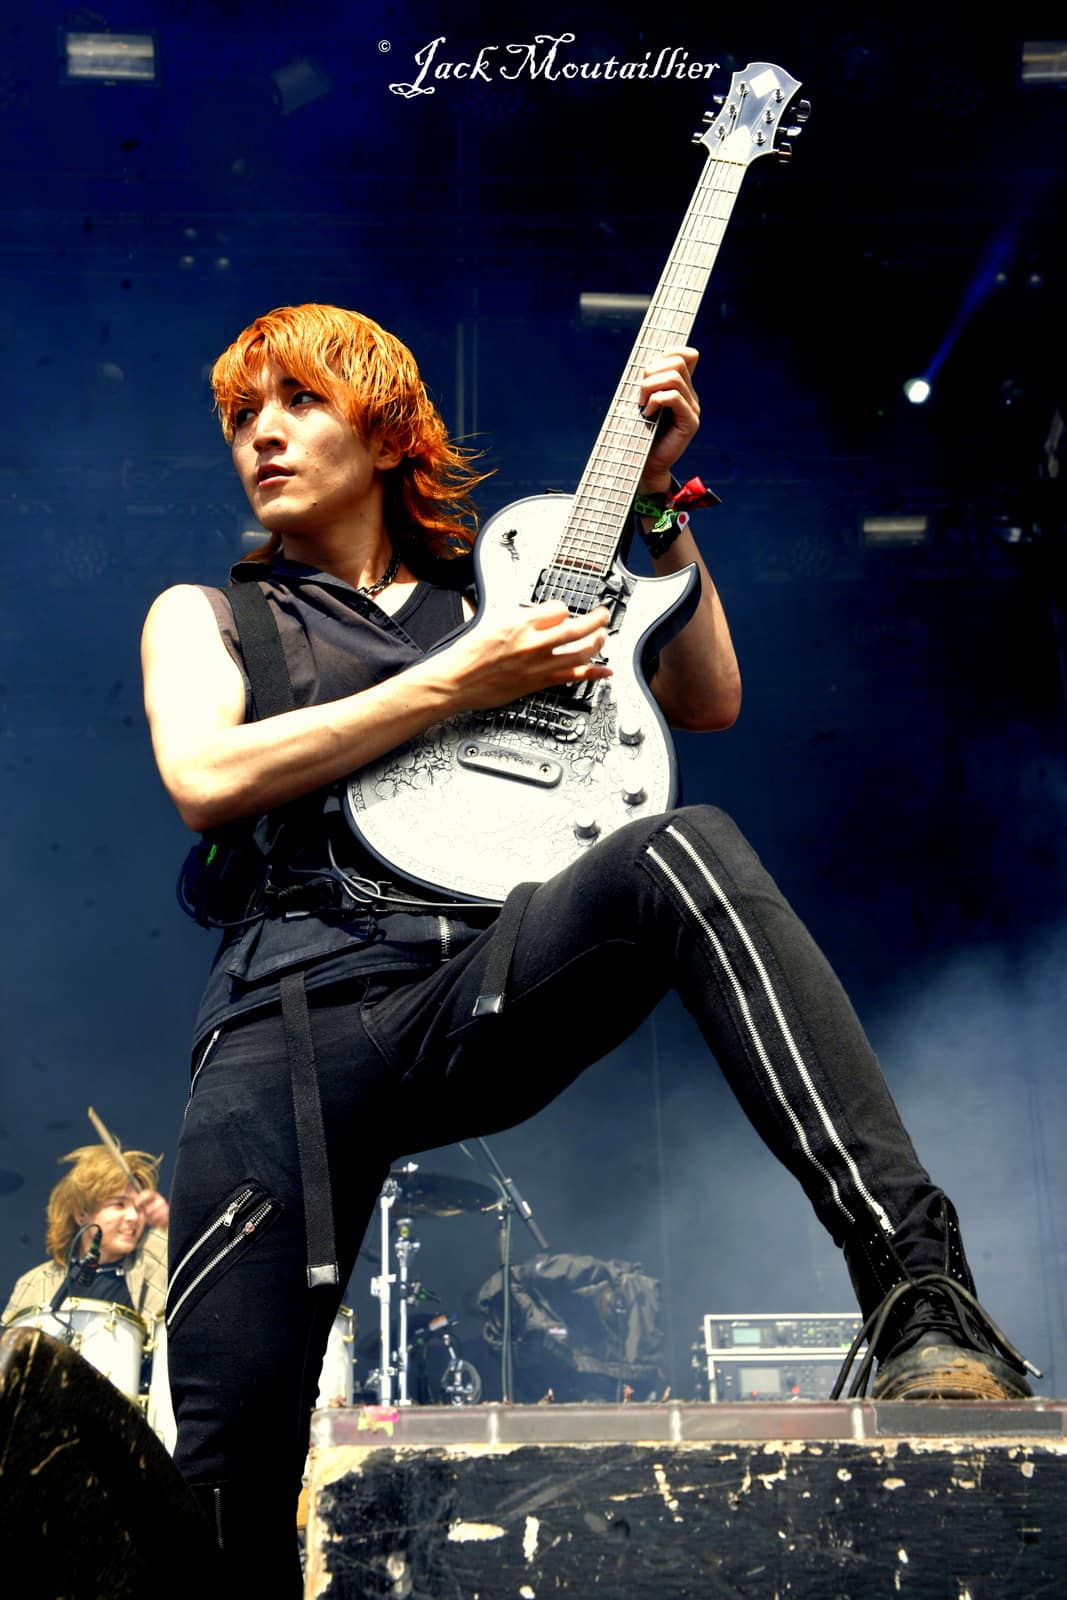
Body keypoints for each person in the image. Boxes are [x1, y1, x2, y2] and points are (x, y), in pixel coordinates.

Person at [141, 304, 1034, 1595]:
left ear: (385, 435)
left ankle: (918, 1291)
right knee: (222, 1486)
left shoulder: (498, 593)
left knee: (684, 846)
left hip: (466, 981)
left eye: (298, 403)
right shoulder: (208, 616)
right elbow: (202, 775)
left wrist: (657, 502)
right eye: (240, 417)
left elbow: (705, 698)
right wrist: (463, 679)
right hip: (282, 1030)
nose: (260, 436)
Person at [3, 1144, 169, 1324]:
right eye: (119, 1204)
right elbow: (7, 1340)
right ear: (81, 1215)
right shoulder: (34, 1282)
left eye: (139, 1208)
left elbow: (184, 1248)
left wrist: (167, 1222)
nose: (134, 1217)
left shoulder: (156, 1258)